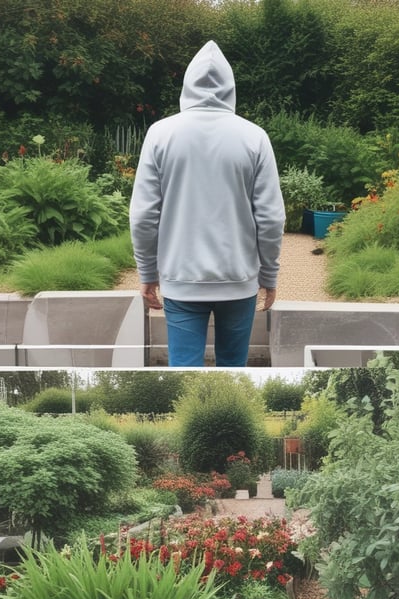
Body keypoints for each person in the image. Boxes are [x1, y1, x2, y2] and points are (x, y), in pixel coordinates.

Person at [129, 40, 285, 367]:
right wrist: (268, 276)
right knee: (234, 373)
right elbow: (270, 218)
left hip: (181, 282)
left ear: (187, 84)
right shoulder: (254, 137)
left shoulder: (160, 134)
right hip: (239, 282)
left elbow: (144, 216)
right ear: (231, 86)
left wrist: (147, 273)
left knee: (184, 374)